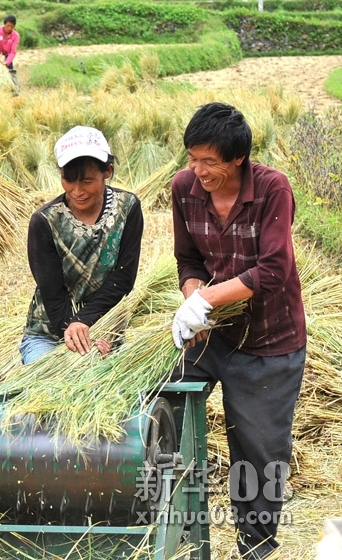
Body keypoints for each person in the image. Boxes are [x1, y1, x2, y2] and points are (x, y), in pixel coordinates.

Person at [170, 102, 306, 560]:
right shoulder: (184, 188)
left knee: (258, 451)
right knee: (157, 405)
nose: (198, 170)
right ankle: (164, 520)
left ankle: (256, 545)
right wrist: (193, 298)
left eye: (210, 161)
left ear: (237, 159)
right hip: (213, 335)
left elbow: (273, 271)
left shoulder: (272, 189)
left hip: (269, 341)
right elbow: (188, 260)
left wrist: (205, 299)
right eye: (193, 158)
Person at [19, 126, 143, 365]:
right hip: (49, 332)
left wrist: (91, 328)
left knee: (107, 390)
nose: (77, 191)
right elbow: (52, 293)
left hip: (104, 327)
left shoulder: (127, 208)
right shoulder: (45, 221)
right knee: (46, 389)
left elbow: (123, 279)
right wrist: (76, 334)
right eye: (68, 180)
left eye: (87, 180)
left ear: (107, 171)